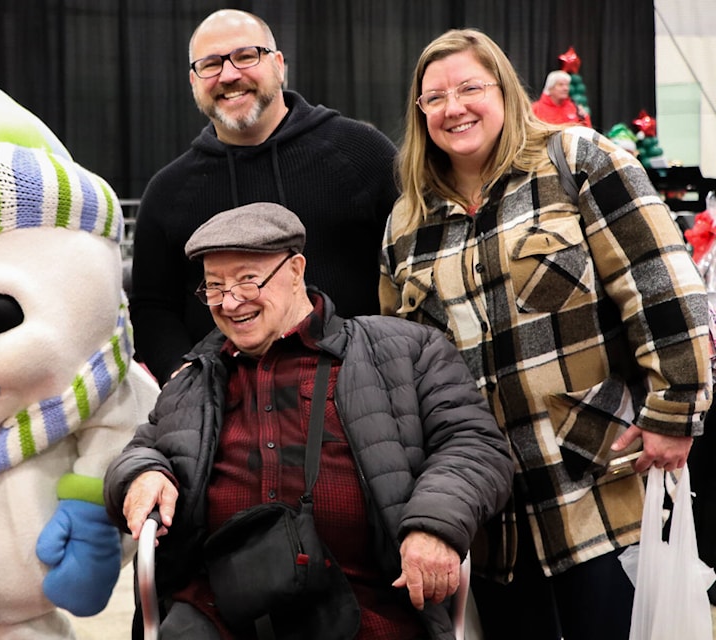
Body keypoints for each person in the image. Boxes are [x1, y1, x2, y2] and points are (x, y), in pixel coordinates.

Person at [379, 29, 712, 640]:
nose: (454, 107)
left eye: (470, 88)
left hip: (602, 487)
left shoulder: (579, 161)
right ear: (419, 112)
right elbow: (407, 367)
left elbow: (662, 285)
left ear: (505, 89)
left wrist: (674, 413)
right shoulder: (407, 223)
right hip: (494, 519)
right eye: (435, 97)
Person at [105, 202, 514, 639]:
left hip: (369, 602)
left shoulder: (405, 350)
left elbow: (475, 444)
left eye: (247, 280)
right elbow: (138, 450)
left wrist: (435, 525)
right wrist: (142, 473)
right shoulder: (195, 379)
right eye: (214, 287)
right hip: (221, 608)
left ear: (296, 269)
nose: (230, 302)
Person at [129, 8, 398, 386]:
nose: (229, 74)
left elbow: (412, 266)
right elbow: (153, 307)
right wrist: (182, 376)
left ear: (278, 64)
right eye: (210, 65)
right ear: (193, 81)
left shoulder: (361, 154)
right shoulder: (168, 191)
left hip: (361, 394)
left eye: (245, 56)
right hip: (231, 415)